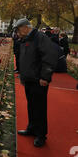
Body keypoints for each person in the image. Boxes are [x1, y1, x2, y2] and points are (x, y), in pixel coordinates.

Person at [15, 18, 59, 147]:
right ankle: (32, 128)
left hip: (39, 80)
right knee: (31, 106)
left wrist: (45, 77)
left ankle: (41, 135)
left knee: (39, 108)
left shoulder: (40, 37)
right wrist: (23, 77)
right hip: (29, 79)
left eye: (17, 30)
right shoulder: (26, 39)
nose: (17, 33)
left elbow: (50, 57)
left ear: (24, 27)